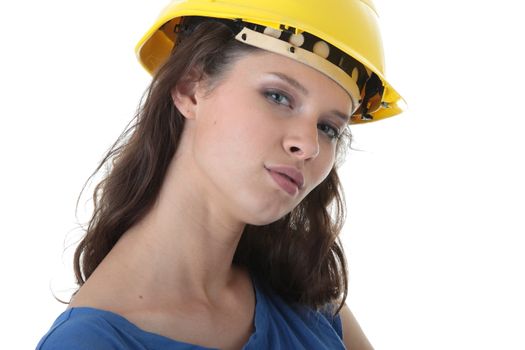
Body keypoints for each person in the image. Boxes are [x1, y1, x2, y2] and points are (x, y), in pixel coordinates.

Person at [37, 0, 404, 349]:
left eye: (328, 128)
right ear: (190, 87)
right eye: (278, 97)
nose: (308, 144)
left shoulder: (311, 307)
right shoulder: (91, 343)